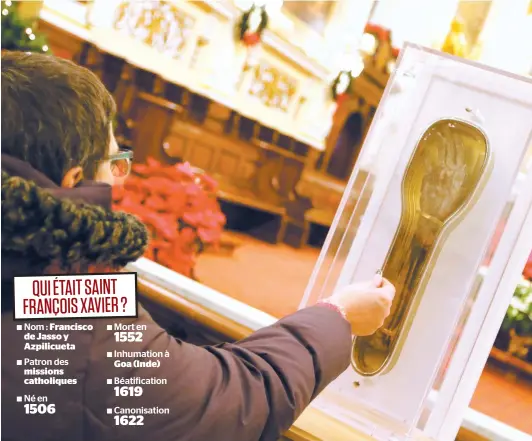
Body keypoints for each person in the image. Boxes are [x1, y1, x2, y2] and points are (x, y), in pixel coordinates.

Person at [1, 51, 395, 441]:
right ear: (72, 180)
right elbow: (234, 399)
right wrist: (339, 316)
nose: (120, 179)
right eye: (113, 162)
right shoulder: (64, 297)